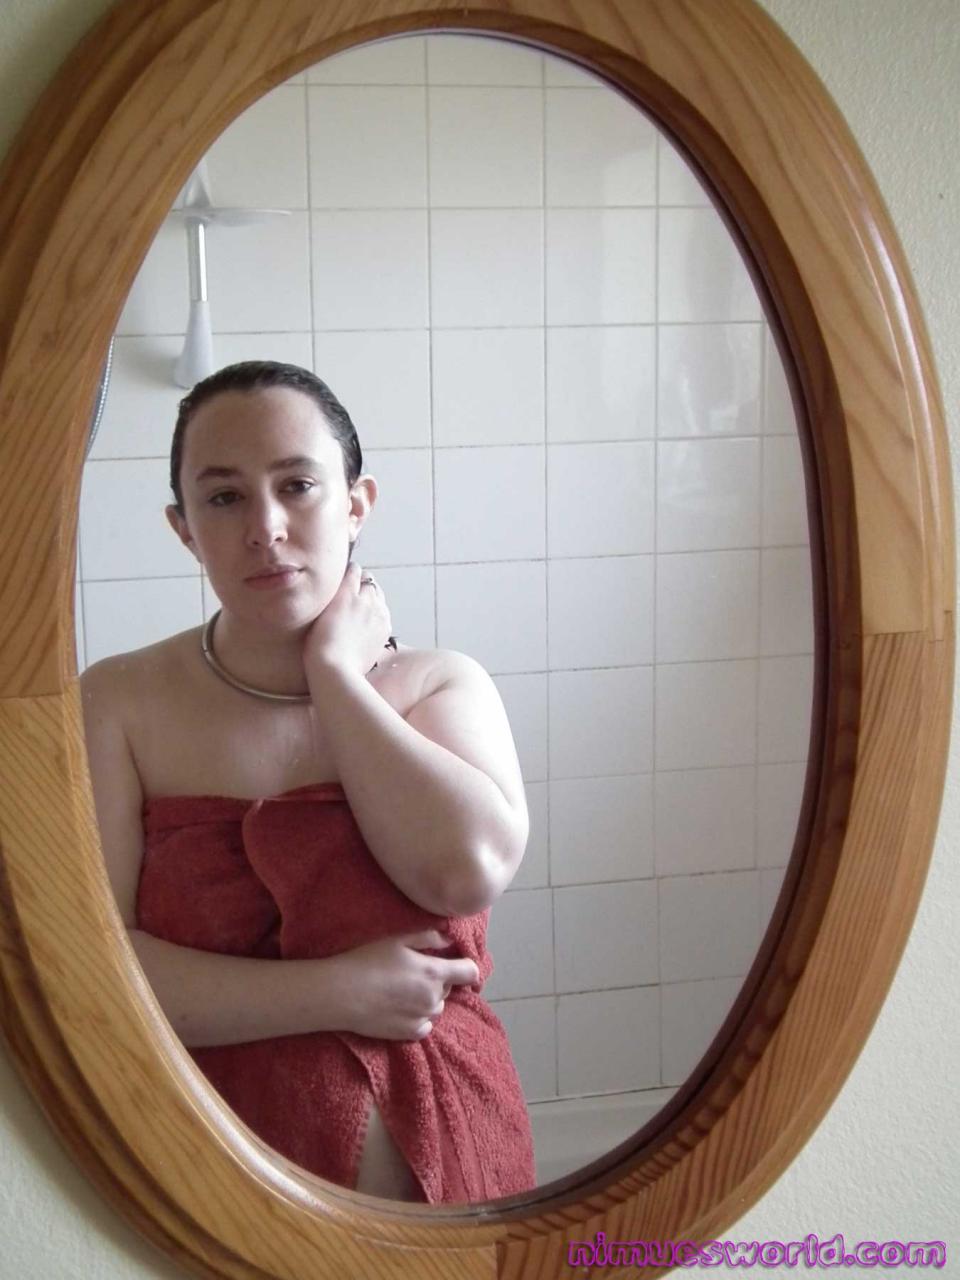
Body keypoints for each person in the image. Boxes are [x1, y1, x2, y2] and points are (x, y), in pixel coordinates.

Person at [80, 360, 537, 1203]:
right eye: (224, 498)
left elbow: (463, 872)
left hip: (461, 1156)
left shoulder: (441, 686)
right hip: (210, 1175)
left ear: (357, 504)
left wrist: (335, 677)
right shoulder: (118, 702)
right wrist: (335, 993)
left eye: (297, 486)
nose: (266, 527)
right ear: (184, 529)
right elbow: (99, 970)